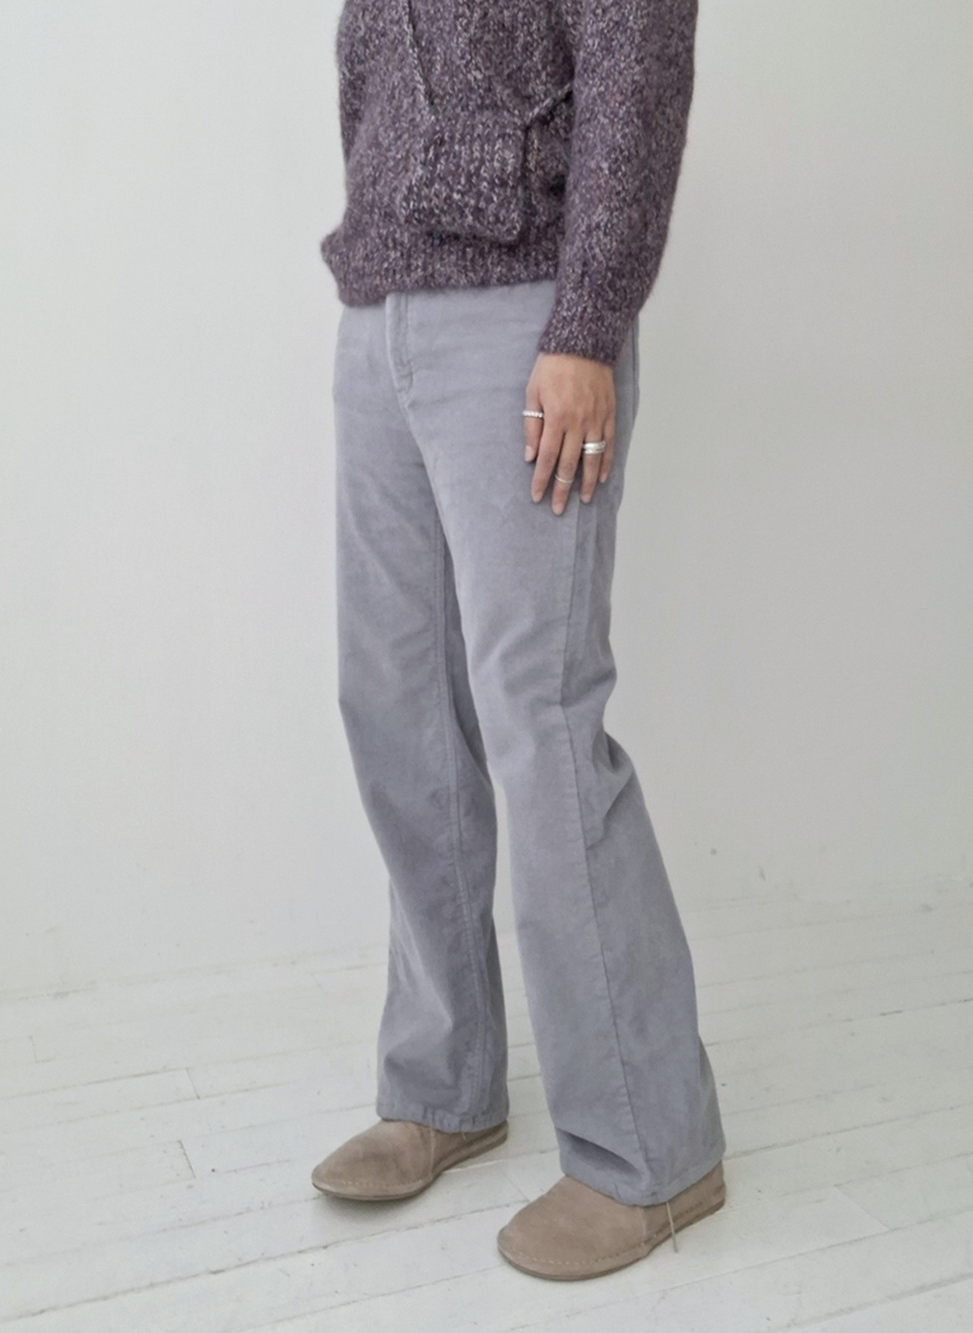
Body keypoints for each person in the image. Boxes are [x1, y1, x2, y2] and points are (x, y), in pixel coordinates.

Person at [310, 0, 727, 1281]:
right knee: (394, 706)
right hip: (381, 314)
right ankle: (442, 1085)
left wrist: (585, 324)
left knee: (539, 719)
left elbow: (635, 73)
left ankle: (651, 1150)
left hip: (522, 322)